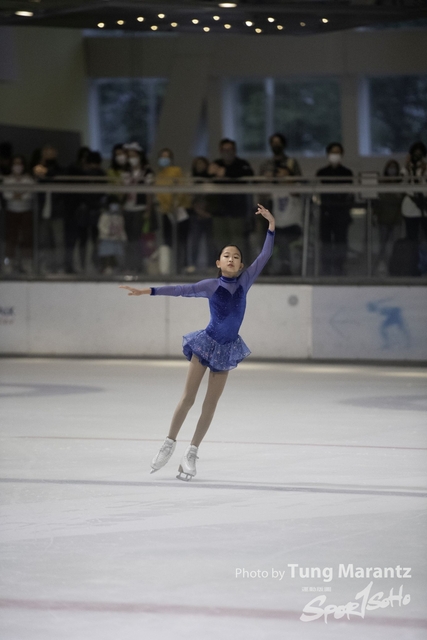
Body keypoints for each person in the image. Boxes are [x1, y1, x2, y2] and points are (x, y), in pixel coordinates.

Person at [119, 204, 275, 481]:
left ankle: (191, 453)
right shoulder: (210, 286)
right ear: (218, 263)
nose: (231, 259)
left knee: (210, 405)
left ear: (241, 265)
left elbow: (265, 255)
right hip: (206, 344)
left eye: (236, 257)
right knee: (188, 398)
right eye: (226, 256)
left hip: (227, 349)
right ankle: (169, 443)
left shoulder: (245, 281)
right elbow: (181, 290)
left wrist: (271, 225)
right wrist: (148, 291)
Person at [208, 139, 254, 256]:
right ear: (220, 151)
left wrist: (225, 173)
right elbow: (207, 176)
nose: (227, 152)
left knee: (237, 241)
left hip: (236, 211)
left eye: (230, 149)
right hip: (219, 210)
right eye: (225, 150)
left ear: (235, 150)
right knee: (220, 241)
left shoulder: (241, 164)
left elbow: (248, 174)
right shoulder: (216, 163)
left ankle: (238, 265)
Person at [316, 142, 354, 276]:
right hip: (326, 212)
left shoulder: (347, 173)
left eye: (337, 152)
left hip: (341, 212)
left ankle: (339, 266)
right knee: (326, 241)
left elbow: (349, 194)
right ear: (328, 154)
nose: (335, 155)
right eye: (333, 152)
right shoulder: (322, 173)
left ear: (342, 154)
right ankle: (326, 267)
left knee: (340, 240)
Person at [155, 148, 191, 273]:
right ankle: (169, 267)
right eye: (162, 156)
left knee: (180, 240)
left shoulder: (176, 171)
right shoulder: (159, 174)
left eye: (167, 157)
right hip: (166, 211)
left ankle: (182, 265)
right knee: (168, 240)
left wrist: (175, 203)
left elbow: (180, 188)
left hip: (177, 210)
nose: (164, 159)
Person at [122, 142, 154, 273]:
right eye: (129, 156)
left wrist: (148, 209)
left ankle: (138, 265)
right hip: (127, 207)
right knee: (128, 238)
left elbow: (148, 192)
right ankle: (129, 265)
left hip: (140, 208)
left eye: (134, 156)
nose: (132, 159)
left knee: (137, 237)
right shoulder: (126, 171)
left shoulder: (147, 171)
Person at [186, 156, 218, 273]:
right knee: (194, 241)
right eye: (198, 164)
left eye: (202, 164)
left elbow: (214, 198)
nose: (200, 166)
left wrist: (208, 212)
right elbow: (189, 198)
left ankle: (211, 264)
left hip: (209, 215)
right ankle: (192, 264)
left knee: (211, 242)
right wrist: (197, 210)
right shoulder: (191, 179)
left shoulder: (211, 179)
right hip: (195, 215)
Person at [270, 163, 303, 275]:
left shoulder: (297, 186)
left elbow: (297, 193)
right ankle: (266, 269)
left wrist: (289, 182)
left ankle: (285, 267)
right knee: (267, 239)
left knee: (283, 239)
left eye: (285, 175)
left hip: (293, 226)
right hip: (277, 226)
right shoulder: (274, 189)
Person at [3, 155, 34, 274]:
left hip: (25, 211)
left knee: (26, 238)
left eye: (19, 164)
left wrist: (17, 195)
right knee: (11, 238)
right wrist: (18, 195)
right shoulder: (7, 180)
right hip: (11, 211)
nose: (17, 166)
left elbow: (29, 194)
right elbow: (6, 195)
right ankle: (9, 263)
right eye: (15, 164)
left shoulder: (28, 179)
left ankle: (26, 263)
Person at [372, 159, 403, 275]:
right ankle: (382, 264)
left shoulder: (400, 183)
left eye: (394, 167)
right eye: (390, 167)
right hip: (383, 219)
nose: (392, 170)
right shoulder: (381, 183)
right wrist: (375, 215)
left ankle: (394, 265)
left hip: (396, 219)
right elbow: (379, 200)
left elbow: (400, 200)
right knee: (383, 245)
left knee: (395, 245)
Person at [400, 141, 427, 241]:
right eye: (415, 153)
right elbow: (402, 183)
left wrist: (424, 171)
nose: (417, 156)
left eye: (420, 154)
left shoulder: (425, 168)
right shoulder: (406, 168)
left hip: (424, 205)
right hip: (410, 205)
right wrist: (407, 167)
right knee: (412, 236)